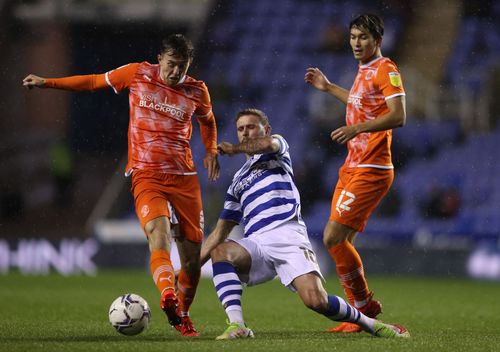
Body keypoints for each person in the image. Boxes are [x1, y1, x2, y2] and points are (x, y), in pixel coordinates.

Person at [23, 34, 220, 337]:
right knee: (159, 233)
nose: (175, 73)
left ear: (189, 65)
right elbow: (92, 82)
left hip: (184, 180)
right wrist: (48, 82)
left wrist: (212, 150)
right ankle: (168, 294)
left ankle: (182, 312)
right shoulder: (136, 73)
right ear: (159, 60)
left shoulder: (197, 91)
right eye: (171, 65)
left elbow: (208, 121)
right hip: (146, 175)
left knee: (192, 262)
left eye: (182, 67)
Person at [199, 108, 409, 340]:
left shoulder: (277, 149)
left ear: (265, 129)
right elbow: (219, 231)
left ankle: (371, 324)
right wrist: (190, 270)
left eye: (251, 127)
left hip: (288, 236)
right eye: (240, 129)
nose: (245, 133)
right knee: (220, 250)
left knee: (316, 301)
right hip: (256, 243)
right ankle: (237, 325)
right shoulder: (236, 182)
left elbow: (268, 145)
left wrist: (234, 149)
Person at [304, 14, 406, 333]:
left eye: (363, 37)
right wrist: (329, 87)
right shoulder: (364, 71)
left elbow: (399, 115)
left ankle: (363, 308)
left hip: (372, 168)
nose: (356, 43)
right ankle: (359, 319)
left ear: (377, 40)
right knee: (341, 240)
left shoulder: (386, 69)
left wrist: (358, 127)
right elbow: (361, 102)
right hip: (353, 165)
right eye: (352, 37)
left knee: (332, 237)